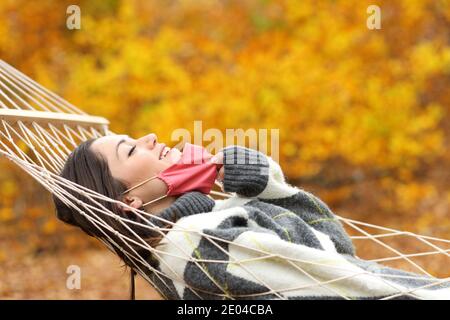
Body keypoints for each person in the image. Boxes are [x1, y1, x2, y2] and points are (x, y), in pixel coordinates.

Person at [54, 133, 450, 299]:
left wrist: (266, 189)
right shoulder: (201, 244)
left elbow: (339, 257)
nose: (151, 139)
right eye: (130, 150)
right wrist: (271, 193)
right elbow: (348, 283)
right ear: (129, 204)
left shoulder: (199, 229)